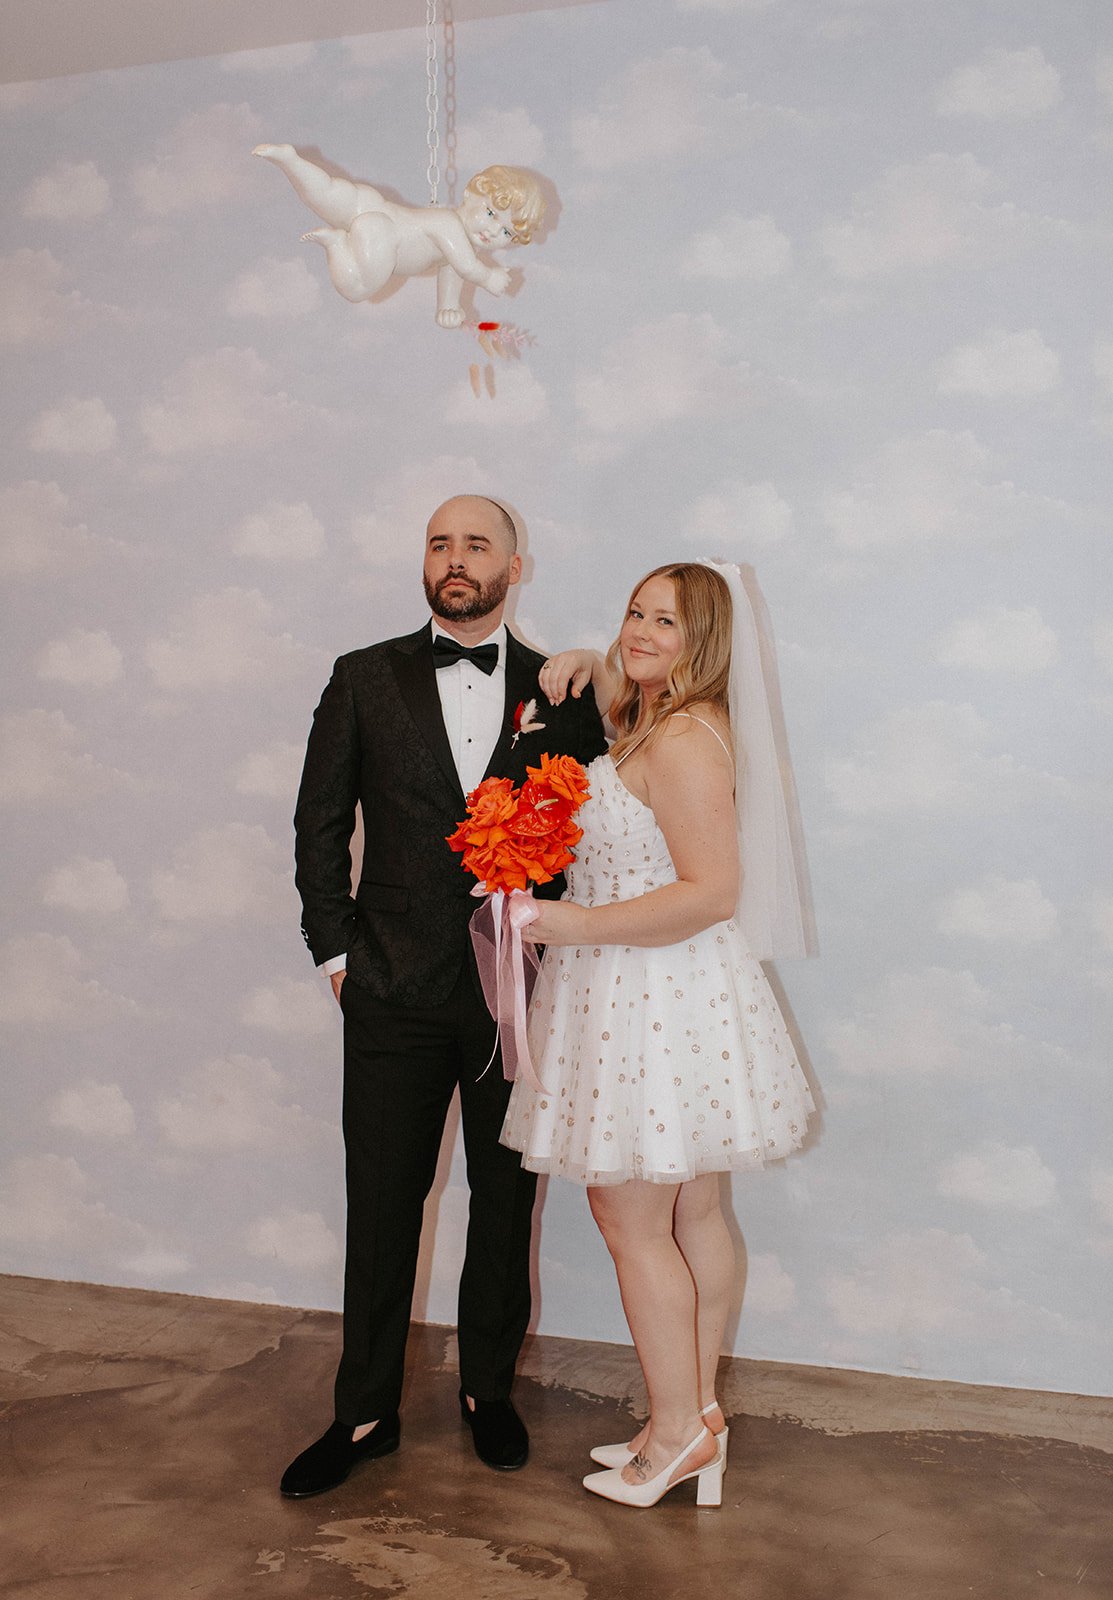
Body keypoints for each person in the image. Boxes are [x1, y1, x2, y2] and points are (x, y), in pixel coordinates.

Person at [282, 495, 607, 1498]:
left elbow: (606, 812)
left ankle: (487, 1392)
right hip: (388, 984)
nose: (454, 559)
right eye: (438, 543)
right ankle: (363, 1411)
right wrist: (337, 956)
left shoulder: (561, 690)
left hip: (516, 989)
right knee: (383, 1202)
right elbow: (319, 820)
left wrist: (596, 665)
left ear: (516, 565)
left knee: (506, 1199)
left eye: (475, 544)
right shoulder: (363, 676)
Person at [501, 560, 816, 1509]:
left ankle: (676, 1433)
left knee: (629, 1219)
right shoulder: (666, 718)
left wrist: (572, 924)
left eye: (665, 621)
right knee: (691, 1214)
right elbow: (618, 698)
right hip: (666, 989)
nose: (639, 630)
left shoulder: (680, 739)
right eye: (634, 611)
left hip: (647, 994)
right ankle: (696, 1417)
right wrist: (588, 659)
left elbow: (711, 892)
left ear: (703, 640)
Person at [253, 146, 543, 325]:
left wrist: (448, 305)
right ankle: (337, 243)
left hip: (376, 207)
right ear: (471, 194)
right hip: (384, 236)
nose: (493, 230)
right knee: (355, 289)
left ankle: (290, 161)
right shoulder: (449, 223)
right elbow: (466, 267)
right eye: (491, 213)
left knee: (327, 193)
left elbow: (453, 268)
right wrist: (489, 277)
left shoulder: (460, 241)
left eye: (506, 231)